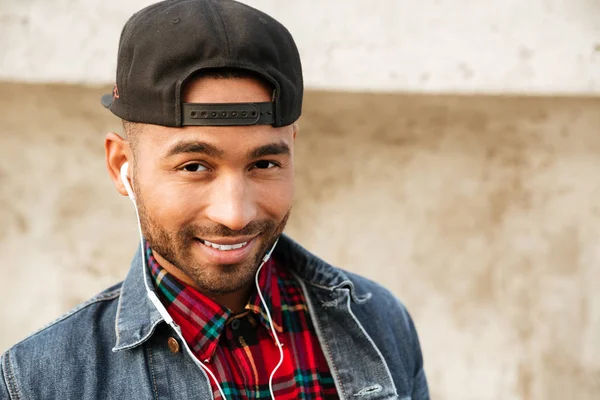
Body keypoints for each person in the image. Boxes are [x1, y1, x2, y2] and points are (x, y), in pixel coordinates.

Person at [0, 0, 429, 399]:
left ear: (293, 149)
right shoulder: (38, 379)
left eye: (263, 164)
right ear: (121, 166)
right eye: (194, 167)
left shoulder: (378, 321)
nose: (234, 214)